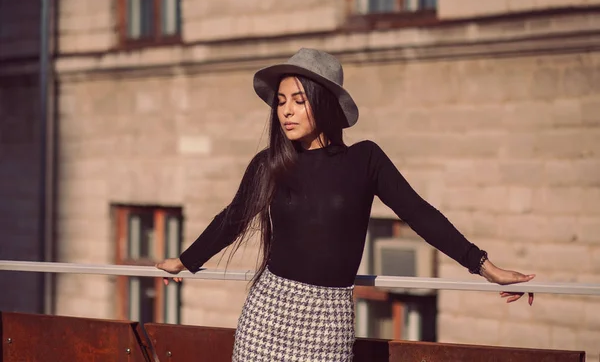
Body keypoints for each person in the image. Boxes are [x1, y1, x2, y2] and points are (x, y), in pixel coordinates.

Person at [156, 48, 535, 361]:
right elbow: (232, 220)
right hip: (267, 313)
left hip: (328, 318)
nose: (285, 111)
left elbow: (419, 214)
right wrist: (185, 260)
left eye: (299, 101)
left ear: (324, 104)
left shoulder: (365, 160)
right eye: (281, 102)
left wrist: (484, 266)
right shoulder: (269, 164)